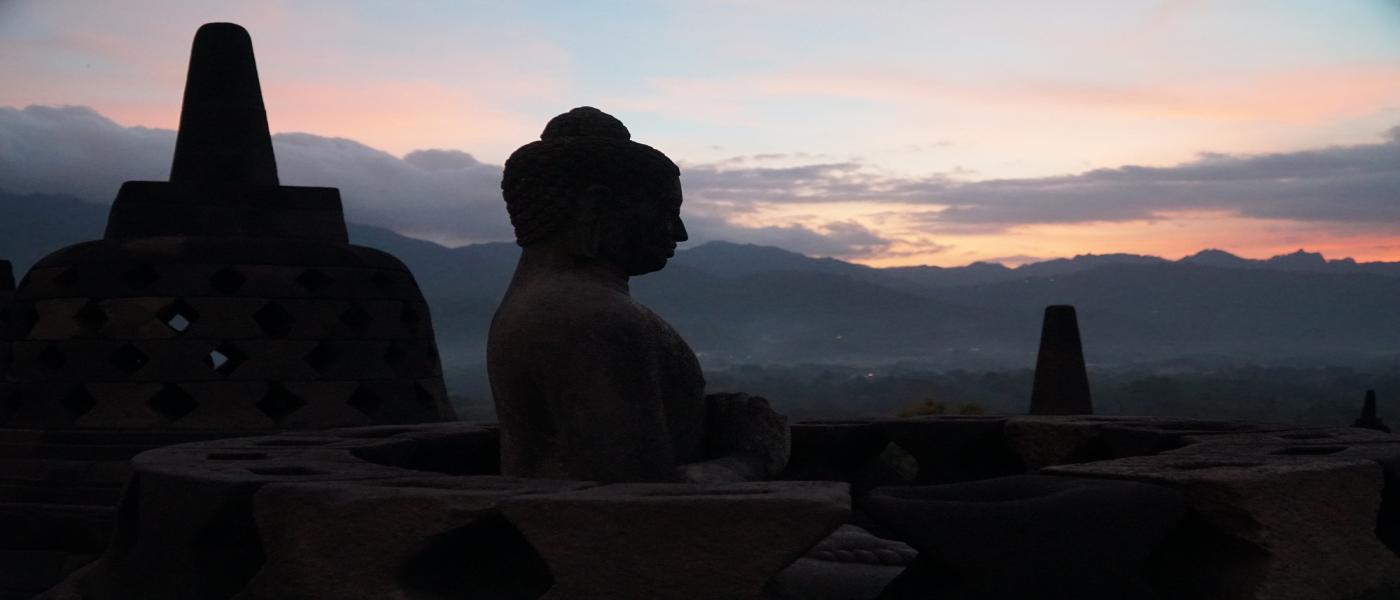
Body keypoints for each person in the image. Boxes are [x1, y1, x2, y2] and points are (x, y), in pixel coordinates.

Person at [488, 107, 788, 483]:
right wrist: (752, 457)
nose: (680, 234)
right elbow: (638, 499)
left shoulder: (535, 305)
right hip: (591, 537)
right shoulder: (594, 319)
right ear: (597, 207)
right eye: (667, 212)